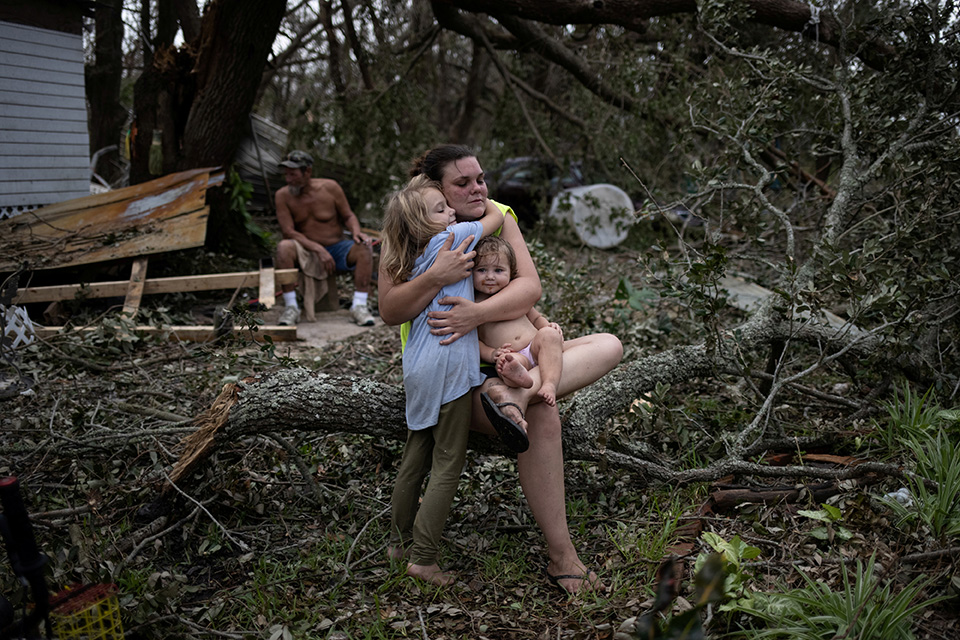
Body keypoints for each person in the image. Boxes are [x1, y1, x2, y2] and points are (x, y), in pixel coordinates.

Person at [378, 145, 623, 594]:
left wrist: (475, 313)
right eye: (462, 183)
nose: (477, 189)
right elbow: (390, 309)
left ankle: (520, 391)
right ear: (436, 191)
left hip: (519, 360)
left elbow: (530, 286)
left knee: (610, 344)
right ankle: (562, 557)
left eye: (480, 179)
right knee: (545, 418)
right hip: (461, 376)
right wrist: (442, 288)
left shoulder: (499, 215)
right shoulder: (415, 224)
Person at [382, 175, 504, 586]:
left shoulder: (414, 258)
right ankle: (424, 558)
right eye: (440, 208)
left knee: (417, 451)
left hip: (417, 363)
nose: (450, 211)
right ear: (424, 224)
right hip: (448, 364)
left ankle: (398, 543)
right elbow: (492, 218)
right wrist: (486, 205)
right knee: (449, 461)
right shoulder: (453, 238)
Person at [274, 150, 375, 327]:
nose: (288, 179)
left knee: (364, 247)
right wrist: (317, 249)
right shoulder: (283, 195)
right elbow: (288, 231)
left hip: (336, 247)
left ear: (308, 172)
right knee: (284, 247)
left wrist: (356, 231)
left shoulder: (330, 188)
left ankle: (359, 305)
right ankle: (291, 307)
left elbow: (348, 216)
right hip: (305, 250)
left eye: (293, 174)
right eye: (286, 174)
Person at [473, 235, 564, 408]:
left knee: (549, 335)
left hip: (534, 346)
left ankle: (550, 384)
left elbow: (535, 317)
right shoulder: (473, 304)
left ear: (511, 272)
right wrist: (492, 354)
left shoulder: (513, 295)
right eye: (482, 270)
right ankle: (518, 376)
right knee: (507, 364)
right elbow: (473, 341)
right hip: (513, 353)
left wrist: (547, 326)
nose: (490, 276)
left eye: (498, 271)